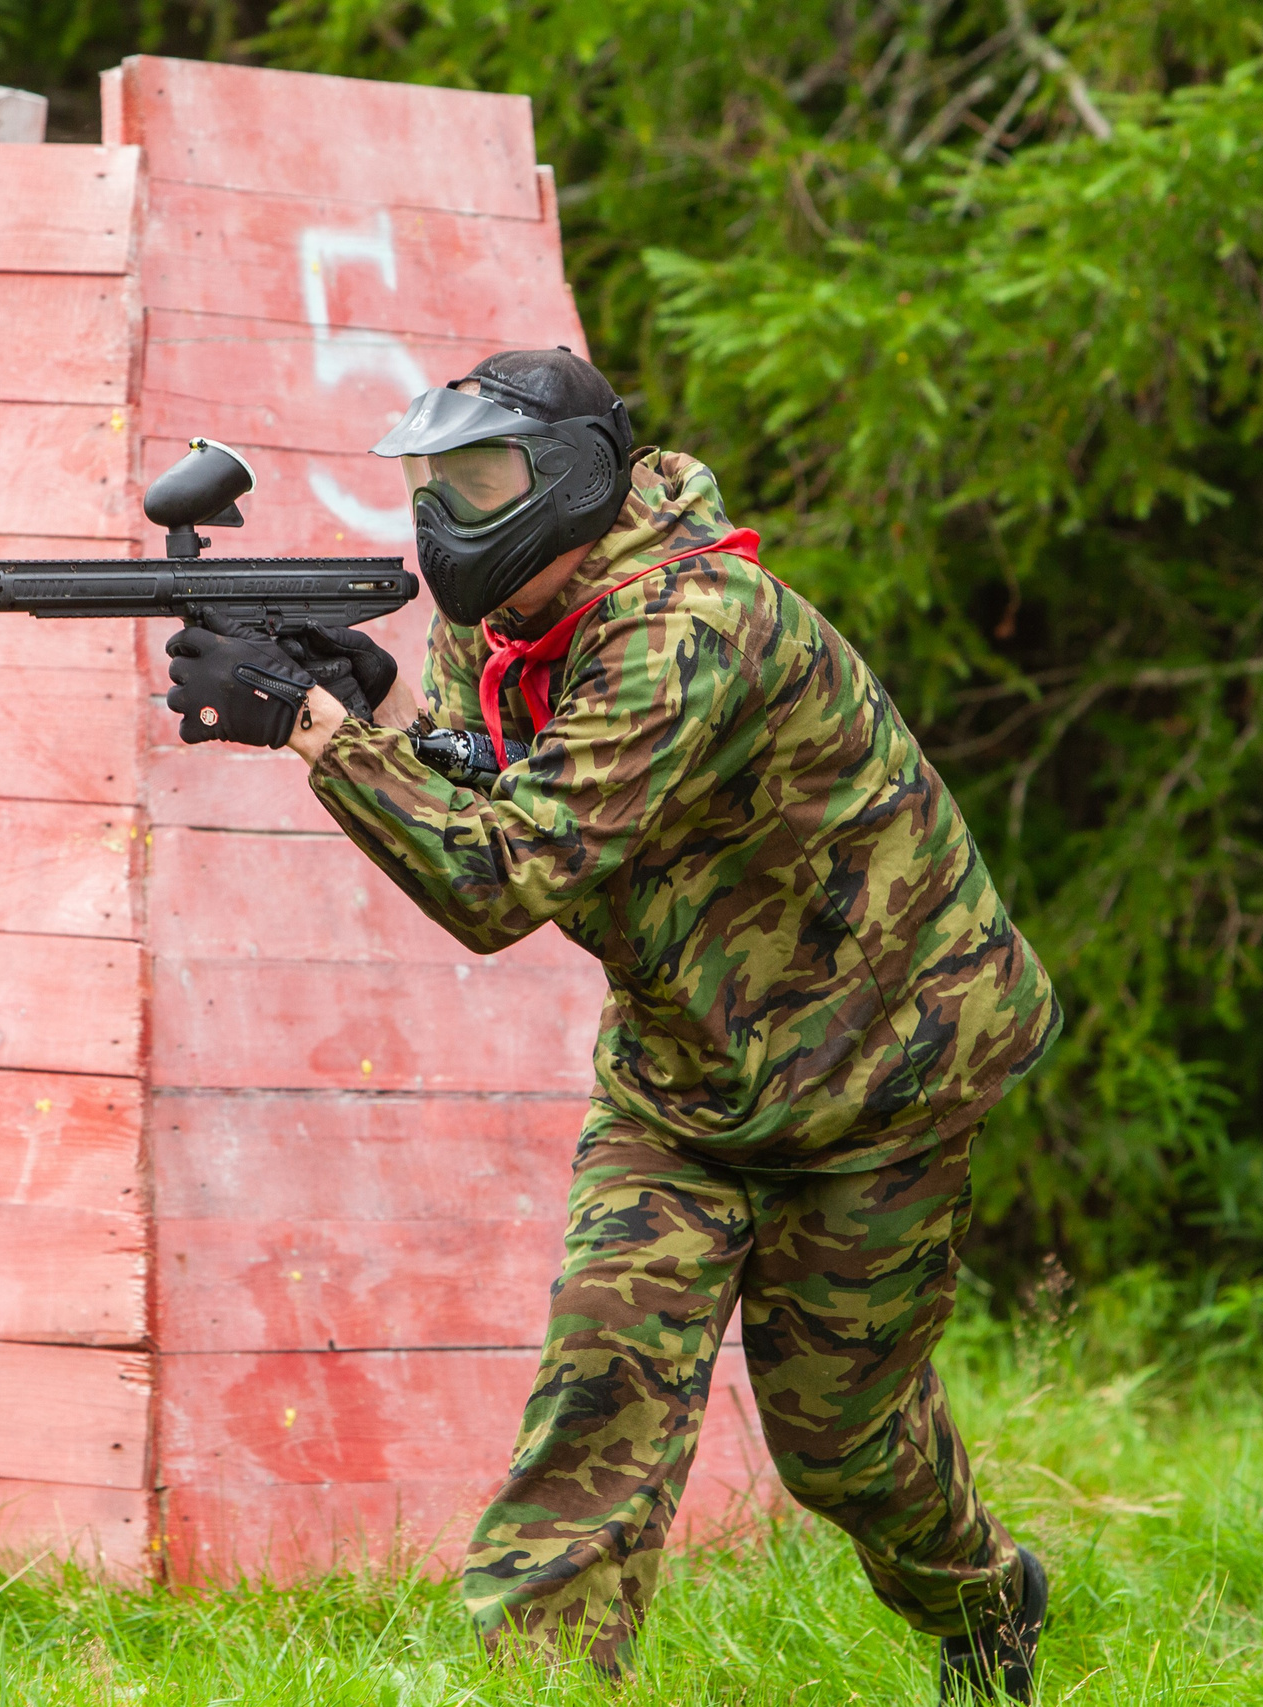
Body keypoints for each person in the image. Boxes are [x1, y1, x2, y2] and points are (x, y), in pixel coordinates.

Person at [163, 348, 1062, 1700]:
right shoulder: (506, 623)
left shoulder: (694, 625)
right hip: (684, 1084)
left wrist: (312, 733)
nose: (450, 516)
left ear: (574, 483)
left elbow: (499, 875)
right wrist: (379, 703)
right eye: (435, 485)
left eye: (482, 482)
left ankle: (987, 1600)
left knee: (845, 1447)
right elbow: (501, 783)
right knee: (601, 1397)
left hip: (881, 1082)